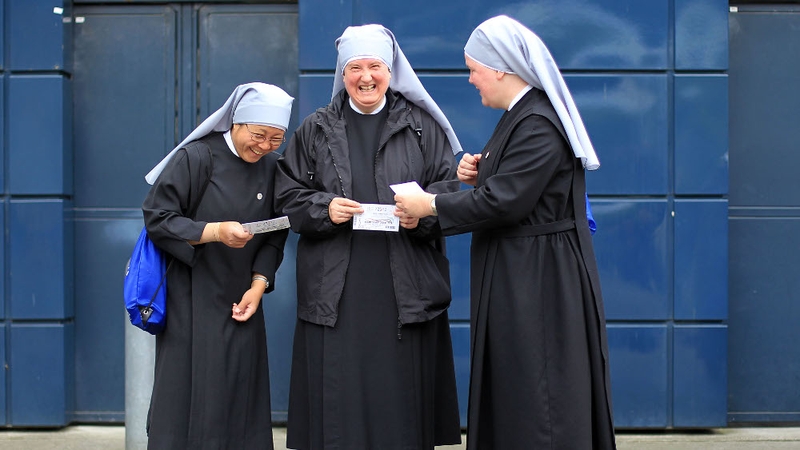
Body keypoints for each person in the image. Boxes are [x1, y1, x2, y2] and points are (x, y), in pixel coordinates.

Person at [394, 15, 617, 450]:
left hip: (540, 280)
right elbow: (515, 187)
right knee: (524, 379)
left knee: (540, 385)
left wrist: (431, 204)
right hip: (525, 271)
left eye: (474, 69)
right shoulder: (523, 116)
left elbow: (507, 202)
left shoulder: (536, 122)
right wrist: (480, 173)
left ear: (499, 68)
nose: (472, 79)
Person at [274, 24, 462, 450]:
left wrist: (422, 215)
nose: (366, 77)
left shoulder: (423, 127)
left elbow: (448, 193)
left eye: (375, 66)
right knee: (339, 395)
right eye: (355, 67)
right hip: (336, 288)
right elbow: (287, 196)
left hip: (405, 285)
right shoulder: (314, 130)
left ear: (390, 70)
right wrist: (325, 208)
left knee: (399, 396)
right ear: (342, 74)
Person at [141, 82, 294, 450]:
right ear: (237, 123)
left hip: (242, 297)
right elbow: (157, 218)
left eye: (276, 139)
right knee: (185, 395)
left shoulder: (273, 167)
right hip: (189, 297)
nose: (265, 146)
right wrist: (213, 231)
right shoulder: (196, 158)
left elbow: (276, 232)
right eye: (259, 135)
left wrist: (259, 285)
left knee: (240, 394)